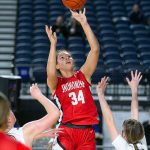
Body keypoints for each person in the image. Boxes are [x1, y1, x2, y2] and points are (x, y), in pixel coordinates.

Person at [46, 8, 100, 150]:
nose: (67, 58)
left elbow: (95, 50)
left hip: (87, 133)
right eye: (62, 57)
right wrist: (53, 45)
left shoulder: (83, 75)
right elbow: (50, 73)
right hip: (66, 131)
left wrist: (84, 23)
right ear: (57, 65)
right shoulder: (56, 83)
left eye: (69, 56)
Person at [96, 71, 148, 150]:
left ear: (124, 134)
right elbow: (134, 113)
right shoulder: (142, 145)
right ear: (140, 133)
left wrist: (100, 94)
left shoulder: (124, 147)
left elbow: (110, 120)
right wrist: (134, 89)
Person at [6, 84, 61, 149]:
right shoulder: (25, 131)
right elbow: (55, 113)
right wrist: (39, 96)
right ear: (8, 119)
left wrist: (40, 135)